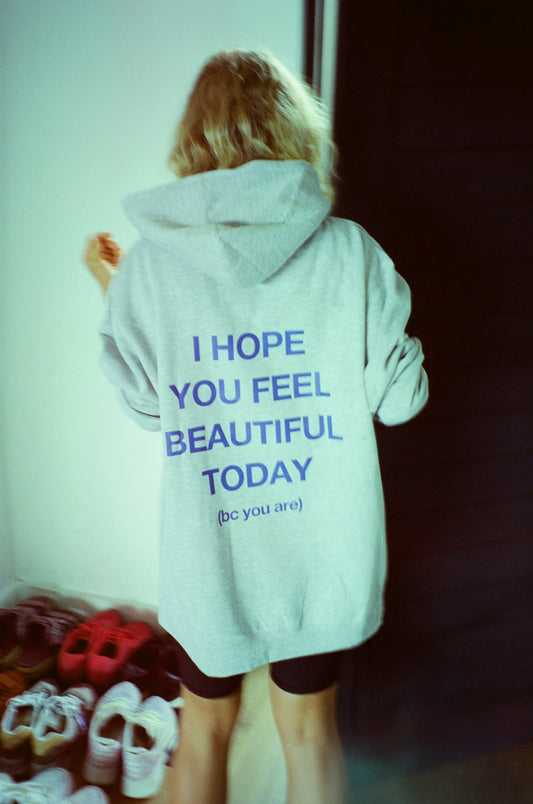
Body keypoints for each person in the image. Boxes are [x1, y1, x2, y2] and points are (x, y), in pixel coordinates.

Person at [83, 49, 428, 804]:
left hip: (213, 553)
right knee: (308, 736)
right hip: (319, 556)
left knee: (201, 732)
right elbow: (400, 400)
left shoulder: (146, 271)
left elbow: (149, 408)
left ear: (195, 138)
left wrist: (115, 292)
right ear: (296, 134)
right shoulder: (351, 254)